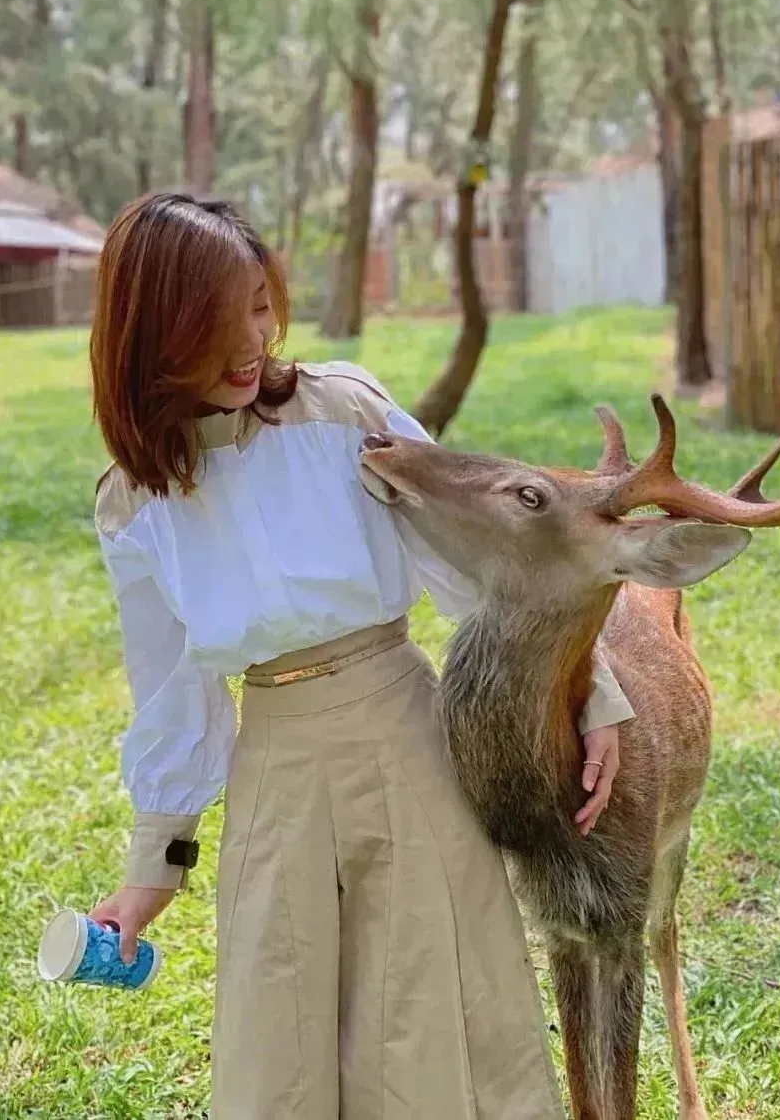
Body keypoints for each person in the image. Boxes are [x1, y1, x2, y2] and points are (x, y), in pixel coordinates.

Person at [87, 193, 635, 1118]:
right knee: (280, 1027)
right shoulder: (135, 501)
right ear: (153, 332)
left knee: (434, 1014)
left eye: (261, 305)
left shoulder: (343, 410)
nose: (251, 341)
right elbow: (174, 690)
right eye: (218, 324)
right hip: (275, 767)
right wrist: (152, 872)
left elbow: (479, 553)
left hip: (404, 736)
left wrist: (595, 694)